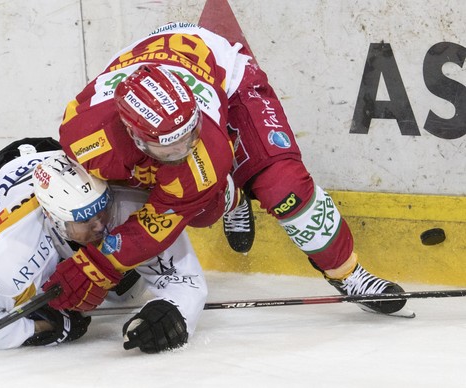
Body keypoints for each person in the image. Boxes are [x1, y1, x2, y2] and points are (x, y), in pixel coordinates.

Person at [46, 21, 409, 317]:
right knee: (203, 211)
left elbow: (161, 219)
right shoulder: (85, 138)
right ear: (134, 135)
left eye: (188, 135)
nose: (186, 149)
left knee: (285, 189)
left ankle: (349, 273)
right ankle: (231, 199)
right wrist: (97, 255)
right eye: (169, 144)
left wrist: (99, 265)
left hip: (230, 80)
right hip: (154, 69)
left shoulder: (206, 149)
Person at [0, 137, 206, 353]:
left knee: (126, 291)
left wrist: (174, 311)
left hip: (57, 169)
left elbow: (182, 279)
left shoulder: (127, 206)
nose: (102, 225)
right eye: (86, 220)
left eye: (102, 209)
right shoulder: (17, 245)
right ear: (55, 219)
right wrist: (43, 329)